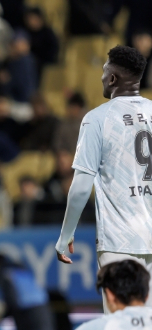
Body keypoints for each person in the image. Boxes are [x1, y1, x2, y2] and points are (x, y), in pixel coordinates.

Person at [54, 46, 152, 312]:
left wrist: (65, 235)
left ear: (112, 79)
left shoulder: (97, 119)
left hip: (120, 241)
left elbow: (80, 187)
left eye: (104, 70)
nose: (101, 76)